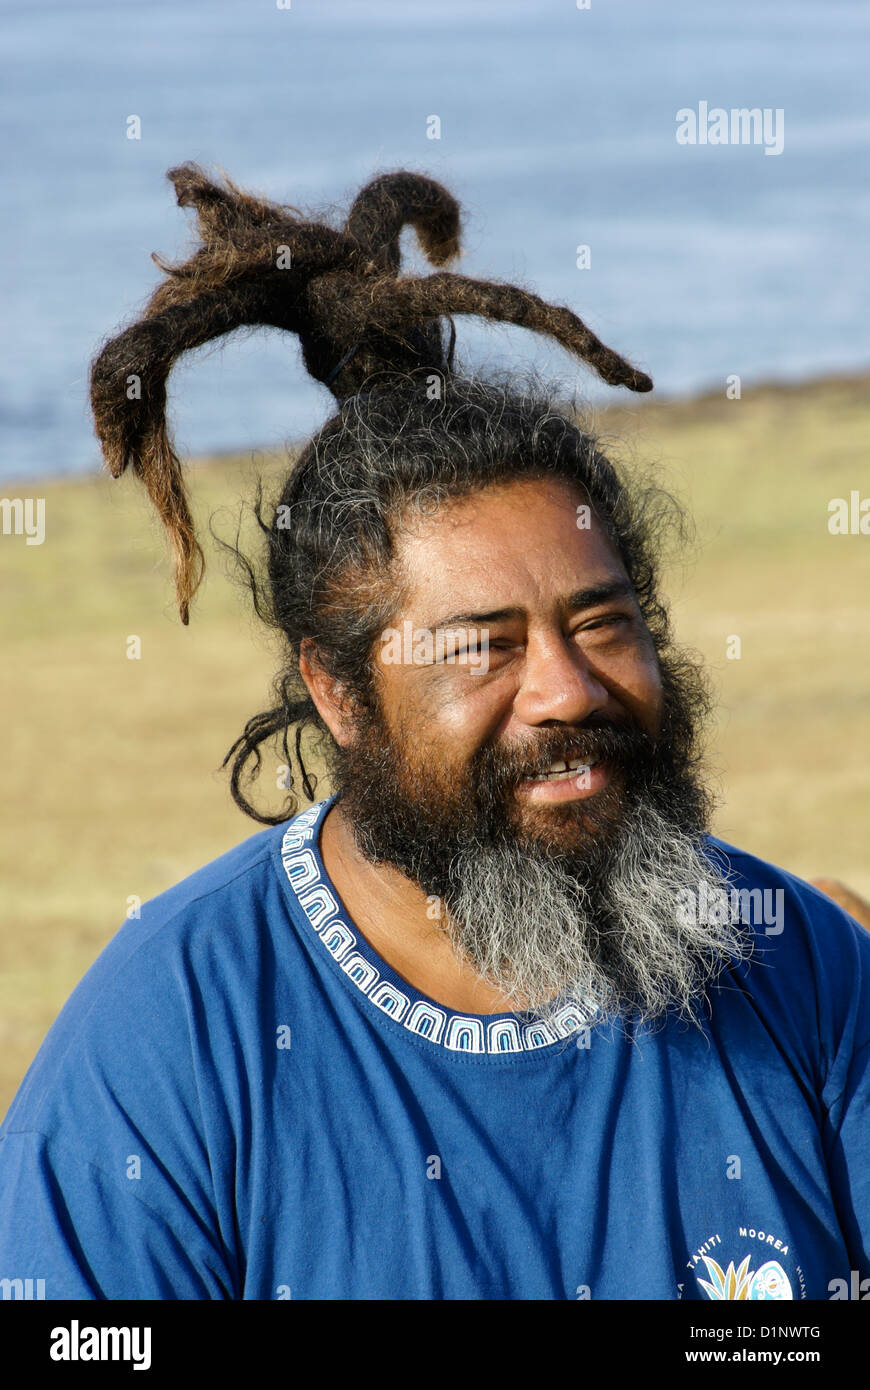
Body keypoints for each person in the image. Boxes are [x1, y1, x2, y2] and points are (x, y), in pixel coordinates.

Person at [0, 167, 867, 1302]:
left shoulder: (796, 969)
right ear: (341, 692)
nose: (567, 690)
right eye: (482, 645)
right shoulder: (167, 1049)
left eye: (603, 622)